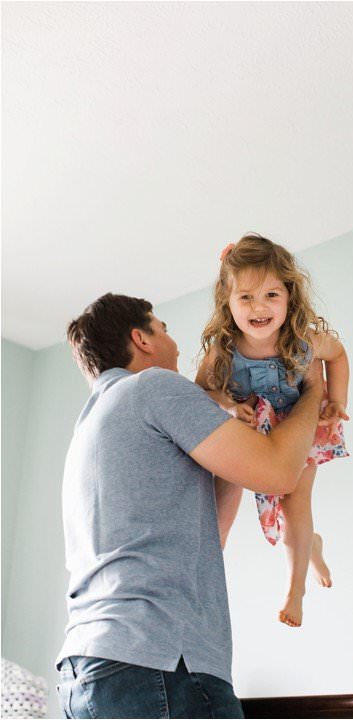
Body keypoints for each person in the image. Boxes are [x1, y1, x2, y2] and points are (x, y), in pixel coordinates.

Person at [56, 293, 324, 718]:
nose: (176, 343)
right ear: (141, 339)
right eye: (163, 329)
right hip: (158, 663)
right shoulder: (153, 387)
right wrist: (313, 390)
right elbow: (279, 473)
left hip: (90, 669)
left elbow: (206, 536)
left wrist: (234, 441)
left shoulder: (91, 426)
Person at [197, 233, 350, 628]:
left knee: (296, 508)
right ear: (227, 303)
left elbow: (338, 355)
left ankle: (295, 589)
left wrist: (338, 399)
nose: (258, 307)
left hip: (302, 427)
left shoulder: (302, 341)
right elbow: (203, 390)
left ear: (289, 298)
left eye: (270, 296)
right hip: (255, 436)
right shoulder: (225, 349)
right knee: (255, 506)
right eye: (245, 297)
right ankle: (311, 545)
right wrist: (230, 405)